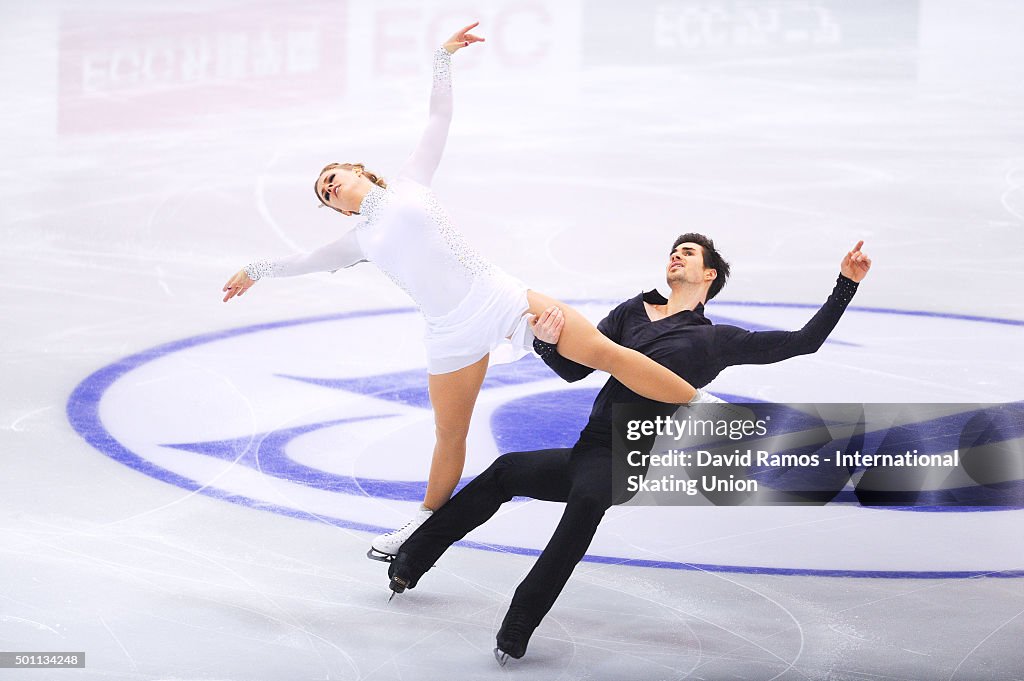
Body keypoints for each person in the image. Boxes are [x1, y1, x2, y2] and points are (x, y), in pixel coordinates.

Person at [220, 24, 714, 560]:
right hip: (449, 333)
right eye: (325, 193)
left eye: (333, 176)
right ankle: (420, 527)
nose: (331, 186)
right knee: (449, 435)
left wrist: (441, 58)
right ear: (336, 210)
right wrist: (255, 268)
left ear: (358, 171)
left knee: (607, 354)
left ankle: (703, 406)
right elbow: (303, 262)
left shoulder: (412, 182)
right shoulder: (357, 239)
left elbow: (438, 118)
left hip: (500, 298)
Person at [386, 235, 873, 664]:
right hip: (589, 447)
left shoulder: (717, 341)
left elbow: (804, 342)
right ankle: (412, 560)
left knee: (576, 522)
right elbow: (577, 370)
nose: (677, 255)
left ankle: (519, 624)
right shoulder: (632, 313)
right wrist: (548, 343)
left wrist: (845, 284)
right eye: (673, 250)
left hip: (626, 459)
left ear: (709, 275)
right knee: (505, 472)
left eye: (690, 252)